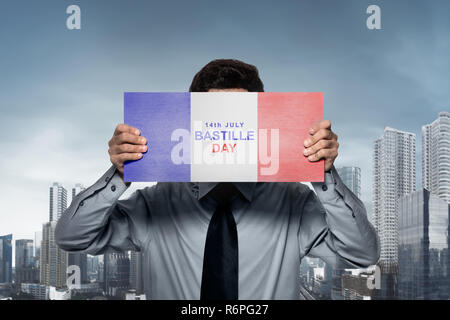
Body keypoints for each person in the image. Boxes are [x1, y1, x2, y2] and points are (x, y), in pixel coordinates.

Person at [55, 59, 379, 300]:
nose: (227, 132)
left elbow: (362, 254)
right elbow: (73, 238)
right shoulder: (157, 202)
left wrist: (323, 175)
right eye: (215, 117)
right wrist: (119, 176)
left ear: (261, 121)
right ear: (192, 123)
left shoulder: (292, 202)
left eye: (238, 117)